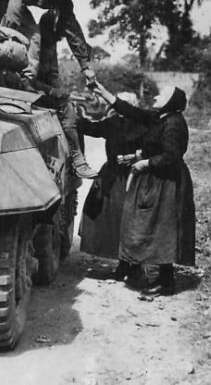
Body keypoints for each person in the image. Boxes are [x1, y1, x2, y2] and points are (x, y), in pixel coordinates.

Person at [91, 82, 196, 296]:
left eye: (161, 95)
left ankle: (165, 282)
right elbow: (131, 111)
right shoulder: (160, 118)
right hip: (156, 180)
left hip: (168, 183)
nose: (156, 97)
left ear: (171, 102)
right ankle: (145, 272)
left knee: (162, 229)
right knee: (150, 226)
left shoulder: (174, 124)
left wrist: (144, 163)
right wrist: (103, 92)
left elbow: (171, 156)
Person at [2, 0, 99, 178]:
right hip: (20, 86)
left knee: (67, 108)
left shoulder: (50, 45)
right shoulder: (32, 44)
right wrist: (6, 36)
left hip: (36, 91)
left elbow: (74, 34)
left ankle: (78, 160)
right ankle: (78, 160)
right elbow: (16, 3)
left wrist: (86, 67)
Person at [77, 92, 148, 281]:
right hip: (114, 176)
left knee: (132, 220)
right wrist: (71, 114)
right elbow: (90, 128)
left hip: (134, 176)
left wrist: (134, 158)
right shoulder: (113, 122)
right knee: (113, 218)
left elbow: (154, 148)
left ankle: (135, 265)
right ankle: (123, 264)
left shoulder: (143, 124)